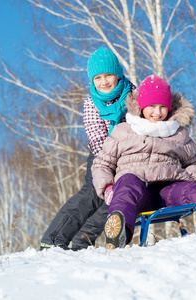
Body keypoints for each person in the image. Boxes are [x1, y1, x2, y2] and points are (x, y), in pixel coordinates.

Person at [91, 74, 196, 249]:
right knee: (127, 184)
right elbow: (101, 165)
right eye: (151, 106)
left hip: (169, 191)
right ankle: (119, 234)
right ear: (141, 106)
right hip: (136, 193)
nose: (157, 112)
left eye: (162, 107)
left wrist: (191, 179)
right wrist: (107, 188)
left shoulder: (177, 133)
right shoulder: (123, 131)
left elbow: (195, 162)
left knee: (193, 190)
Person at [40, 46, 136, 250]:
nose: (104, 82)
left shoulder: (133, 96)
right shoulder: (91, 103)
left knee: (114, 199)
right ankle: (54, 239)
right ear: (92, 81)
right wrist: (111, 163)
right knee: (93, 193)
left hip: (132, 157)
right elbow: (97, 136)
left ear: (118, 75)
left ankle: (83, 240)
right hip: (102, 155)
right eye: (98, 78)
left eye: (108, 75)